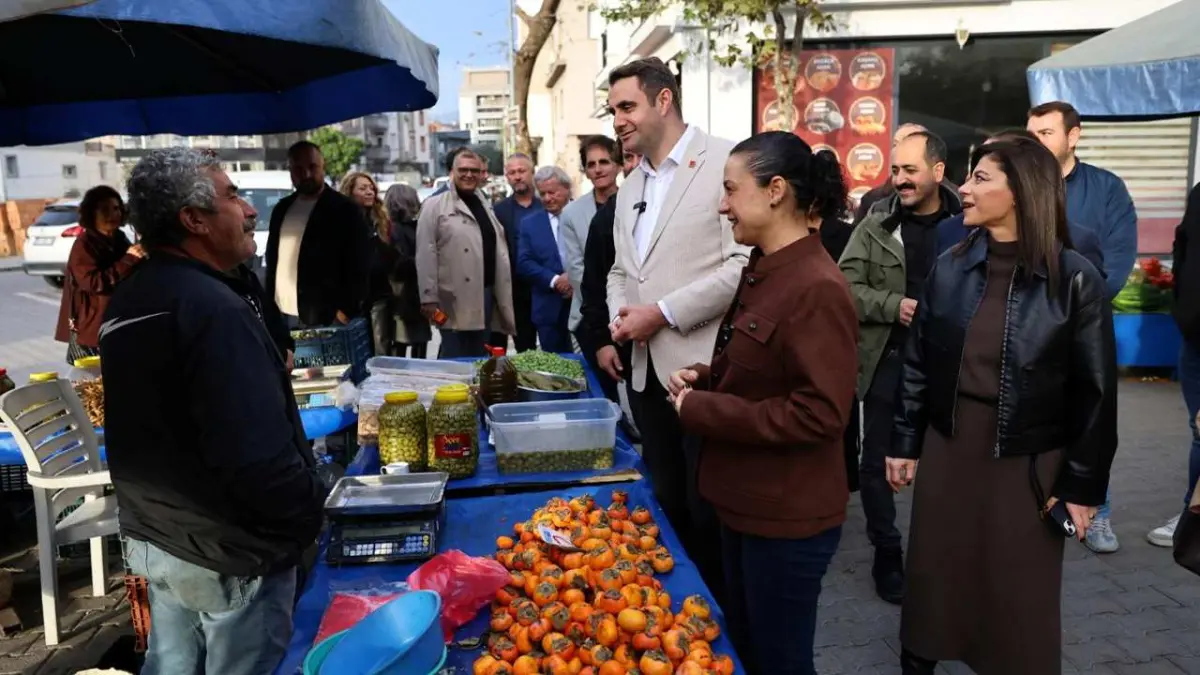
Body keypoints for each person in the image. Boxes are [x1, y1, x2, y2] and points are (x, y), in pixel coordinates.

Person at [887, 140, 1117, 675]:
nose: (963, 189)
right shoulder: (952, 265)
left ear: (1021, 192)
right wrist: (903, 441)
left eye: (981, 179)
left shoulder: (1076, 278)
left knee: (1018, 593)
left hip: (1028, 460)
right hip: (951, 448)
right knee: (935, 575)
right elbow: (918, 361)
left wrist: (1083, 487)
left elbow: (1097, 393)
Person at [101, 148, 326, 675]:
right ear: (193, 220)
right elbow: (255, 454)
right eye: (232, 195)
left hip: (161, 540)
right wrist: (308, 515)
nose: (249, 210)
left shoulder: (131, 298)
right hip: (232, 552)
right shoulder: (210, 308)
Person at [667, 132, 858, 675]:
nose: (723, 204)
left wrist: (702, 410)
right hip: (745, 503)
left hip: (786, 519)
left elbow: (821, 413)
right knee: (747, 646)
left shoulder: (816, 285)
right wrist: (706, 377)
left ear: (775, 191)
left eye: (730, 189)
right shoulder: (766, 265)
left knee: (780, 661)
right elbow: (765, 367)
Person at [606, 56, 750, 599]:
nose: (618, 120)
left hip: (702, 374)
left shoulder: (724, 162)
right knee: (666, 508)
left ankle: (719, 625)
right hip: (644, 379)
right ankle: (676, 617)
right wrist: (625, 314)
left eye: (627, 106)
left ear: (663, 100)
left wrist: (661, 312)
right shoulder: (630, 184)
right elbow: (622, 270)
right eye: (613, 109)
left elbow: (741, 267)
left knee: (709, 514)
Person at [838, 130, 960, 605]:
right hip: (890, 356)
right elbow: (843, 286)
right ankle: (886, 551)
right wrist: (894, 305)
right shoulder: (876, 223)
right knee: (876, 462)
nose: (901, 180)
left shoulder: (968, 222)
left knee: (944, 463)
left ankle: (938, 555)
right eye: (896, 170)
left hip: (950, 363)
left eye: (910, 170)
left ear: (937, 171)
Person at [1028, 100, 1136, 553]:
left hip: (1085, 327)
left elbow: (1116, 262)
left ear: (1073, 136)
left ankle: (1099, 509)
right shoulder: (1020, 184)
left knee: (1091, 416)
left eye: (1046, 133)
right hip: (1029, 330)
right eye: (1030, 133)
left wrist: (1072, 314)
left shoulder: (1106, 189)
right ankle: (1042, 502)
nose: (1036, 142)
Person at [937, 129, 1105, 275]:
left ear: (1022, 182)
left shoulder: (1077, 253)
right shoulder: (950, 253)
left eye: (980, 177)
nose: (964, 188)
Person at [416, 147, 516, 358]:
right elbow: (425, 253)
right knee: (456, 357)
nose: (468, 175)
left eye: (474, 170)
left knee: (479, 355)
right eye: (463, 170)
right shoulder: (434, 205)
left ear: (482, 174)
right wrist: (428, 297)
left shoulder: (484, 202)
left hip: (486, 294)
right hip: (451, 298)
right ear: (452, 172)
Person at [265, 141, 371, 328]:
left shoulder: (345, 210)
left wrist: (344, 313)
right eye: (298, 169)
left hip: (325, 317)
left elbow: (360, 266)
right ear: (290, 170)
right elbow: (273, 258)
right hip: (282, 315)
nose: (306, 174)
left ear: (323, 166)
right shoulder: (282, 209)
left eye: (312, 167)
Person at [54, 185, 145, 361]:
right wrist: (129, 259)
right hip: (93, 329)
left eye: (116, 208)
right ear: (91, 213)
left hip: (118, 321)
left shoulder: (118, 238)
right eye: (104, 209)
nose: (113, 214)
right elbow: (93, 282)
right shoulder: (84, 245)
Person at [580, 146, 641, 405]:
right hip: (629, 341)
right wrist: (602, 342)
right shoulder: (607, 217)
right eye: (629, 157)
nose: (636, 164)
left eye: (644, 157)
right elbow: (593, 285)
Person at [561, 136, 621, 354]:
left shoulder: (636, 202)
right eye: (591, 164)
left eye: (604, 162)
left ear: (618, 165)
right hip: (588, 316)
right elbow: (576, 270)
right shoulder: (571, 213)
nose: (597, 169)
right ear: (585, 171)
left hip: (630, 313)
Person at [518, 166, 575, 353]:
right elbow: (524, 262)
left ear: (567, 189)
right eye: (542, 194)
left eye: (552, 192)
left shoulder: (585, 213)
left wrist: (573, 278)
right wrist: (556, 281)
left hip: (583, 305)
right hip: (548, 310)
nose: (547, 198)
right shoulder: (529, 223)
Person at [492, 153, 542, 352]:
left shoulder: (547, 204)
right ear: (507, 177)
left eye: (522, 171)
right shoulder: (498, 210)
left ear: (532, 173)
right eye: (512, 173)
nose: (517, 176)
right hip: (515, 292)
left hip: (547, 288)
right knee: (524, 349)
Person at [339, 171, 393, 355]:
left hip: (379, 294)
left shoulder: (380, 219)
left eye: (372, 188)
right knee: (357, 348)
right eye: (363, 188)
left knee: (381, 346)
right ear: (350, 191)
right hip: (352, 297)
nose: (370, 192)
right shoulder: (340, 221)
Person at [383, 184, 432, 359]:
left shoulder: (391, 229)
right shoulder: (418, 227)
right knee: (419, 344)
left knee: (399, 345)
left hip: (400, 296)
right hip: (417, 294)